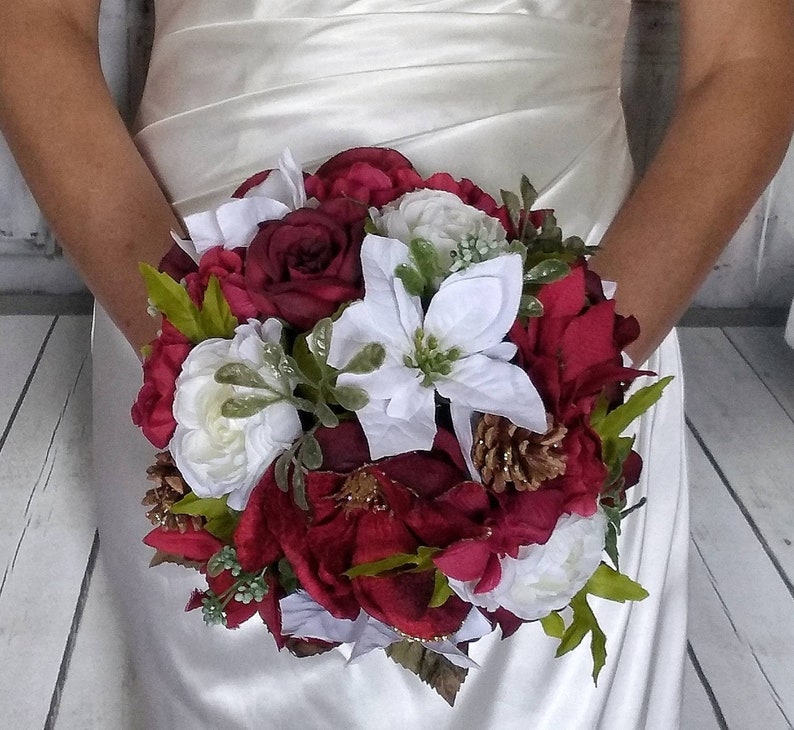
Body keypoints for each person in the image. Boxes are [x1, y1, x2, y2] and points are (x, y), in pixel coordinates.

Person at [1, 1, 793, 727]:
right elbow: (35, 26)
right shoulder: (192, 346)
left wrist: (583, 366)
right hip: (187, 302)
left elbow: (746, 62)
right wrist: (192, 349)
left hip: (582, 328)